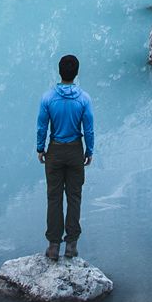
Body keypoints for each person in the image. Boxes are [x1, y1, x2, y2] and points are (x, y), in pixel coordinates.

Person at [36, 53, 94, 260]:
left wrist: (40, 148)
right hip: (75, 150)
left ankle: (53, 246)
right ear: (76, 73)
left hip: (55, 150)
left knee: (54, 197)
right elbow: (89, 129)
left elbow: (42, 126)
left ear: (59, 72)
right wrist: (89, 151)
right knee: (74, 197)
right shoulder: (84, 99)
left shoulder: (48, 98)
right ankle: (71, 245)